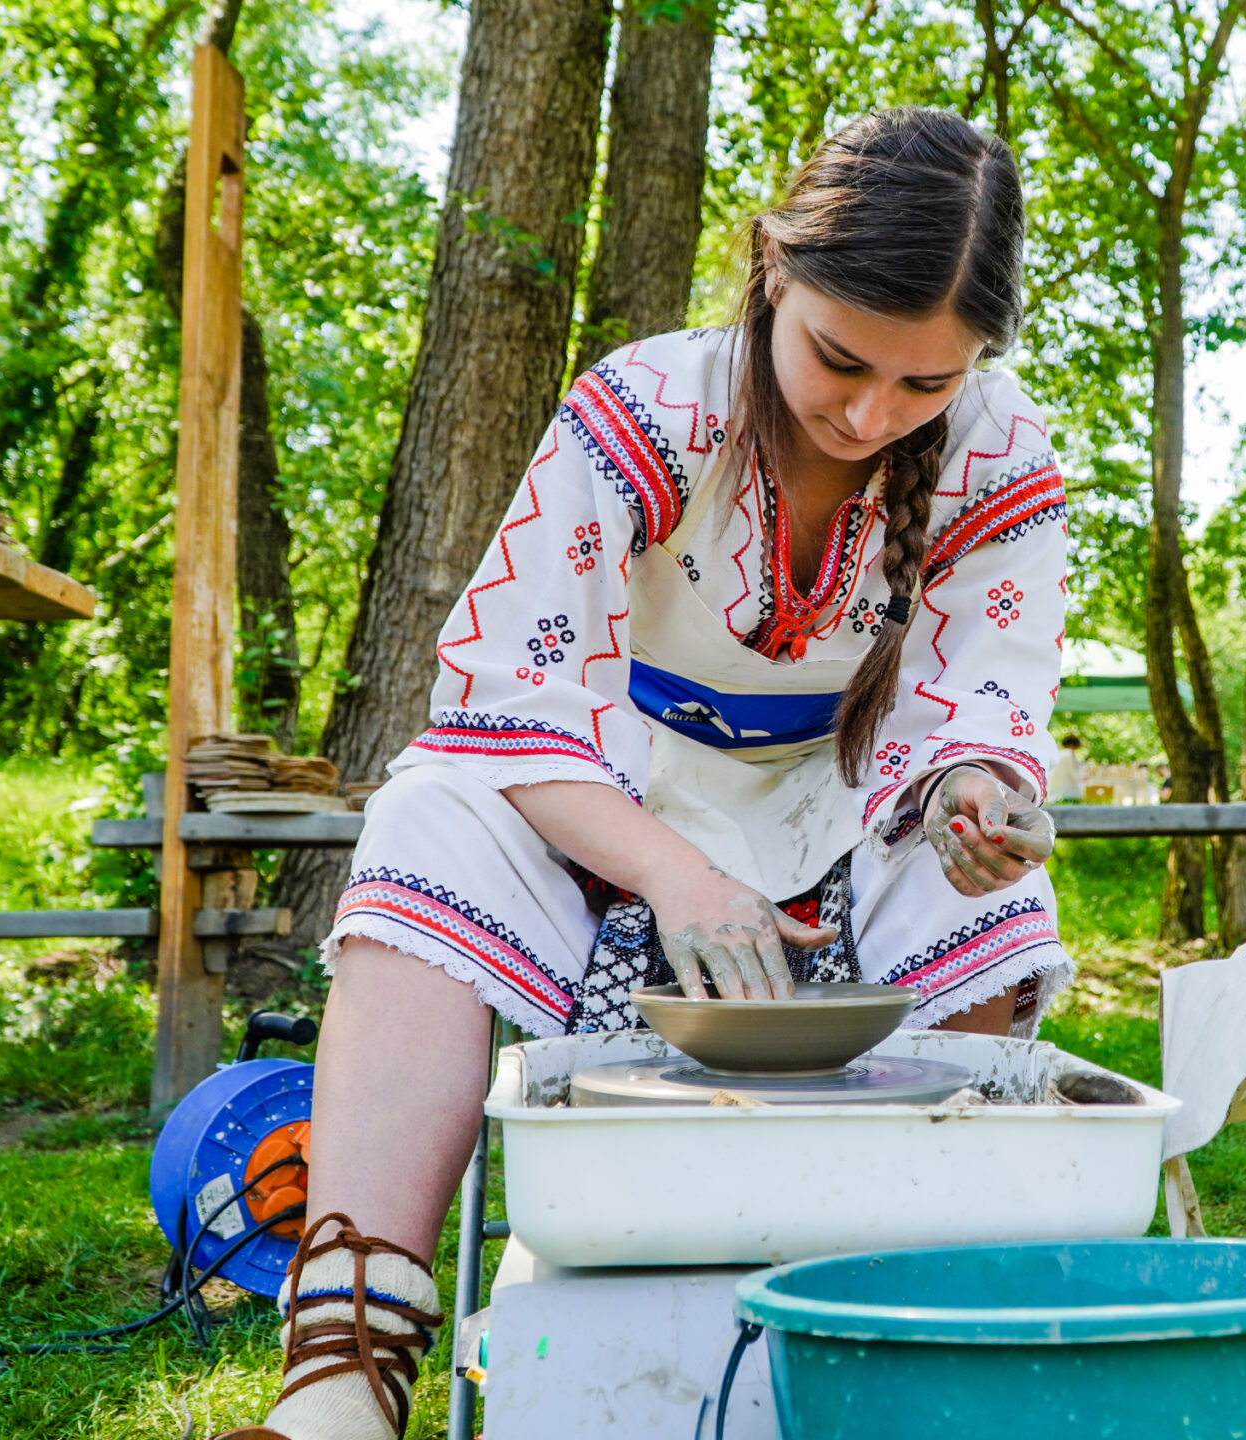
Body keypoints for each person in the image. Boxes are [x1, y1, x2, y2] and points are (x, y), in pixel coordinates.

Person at [217, 109, 1071, 1440]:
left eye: (922, 386)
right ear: (773, 270)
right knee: (427, 816)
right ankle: (345, 1369)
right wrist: (674, 872)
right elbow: (508, 692)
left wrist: (977, 790)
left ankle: (915, 1324)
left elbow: (983, 691)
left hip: (851, 801)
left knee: (996, 906)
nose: (869, 413)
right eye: (841, 361)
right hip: (615, 786)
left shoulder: (1002, 451)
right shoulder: (647, 405)